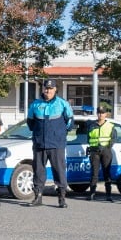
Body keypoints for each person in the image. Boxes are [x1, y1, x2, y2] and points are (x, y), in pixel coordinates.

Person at [28, 80, 74, 208]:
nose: (48, 91)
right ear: (43, 89)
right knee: (38, 171)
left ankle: (62, 198)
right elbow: (30, 123)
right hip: (39, 144)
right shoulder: (35, 104)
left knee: (59, 171)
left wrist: (60, 134)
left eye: (50, 88)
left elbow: (70, 122)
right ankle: (38, 197)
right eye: (46, 88)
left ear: (55, 90)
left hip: (56, 144)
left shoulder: (62, 104)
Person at [87, 105, 120, 201]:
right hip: (94, 151)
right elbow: (88, 138)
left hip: (105, 151)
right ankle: (92, 194)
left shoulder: (110, 126)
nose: (100, 115)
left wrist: (107, 147)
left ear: (106, 114)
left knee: (107, 173)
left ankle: (108, 195)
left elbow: (113, 138)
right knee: (94, 173)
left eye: (102, 113)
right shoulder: (92, 126)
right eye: (99, 113)